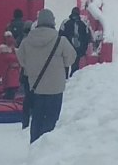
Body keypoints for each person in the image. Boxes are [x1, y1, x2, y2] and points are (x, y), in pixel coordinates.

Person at [15, 8, 77, 142]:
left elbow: (21, 60)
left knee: (36, 119)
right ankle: (46, 150)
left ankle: (35, 147)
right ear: (52, 22)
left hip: (35, 88)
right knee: (51, 120)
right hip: (55, 89)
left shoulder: (27, 41)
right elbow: (71, 59)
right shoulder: (61, 41)